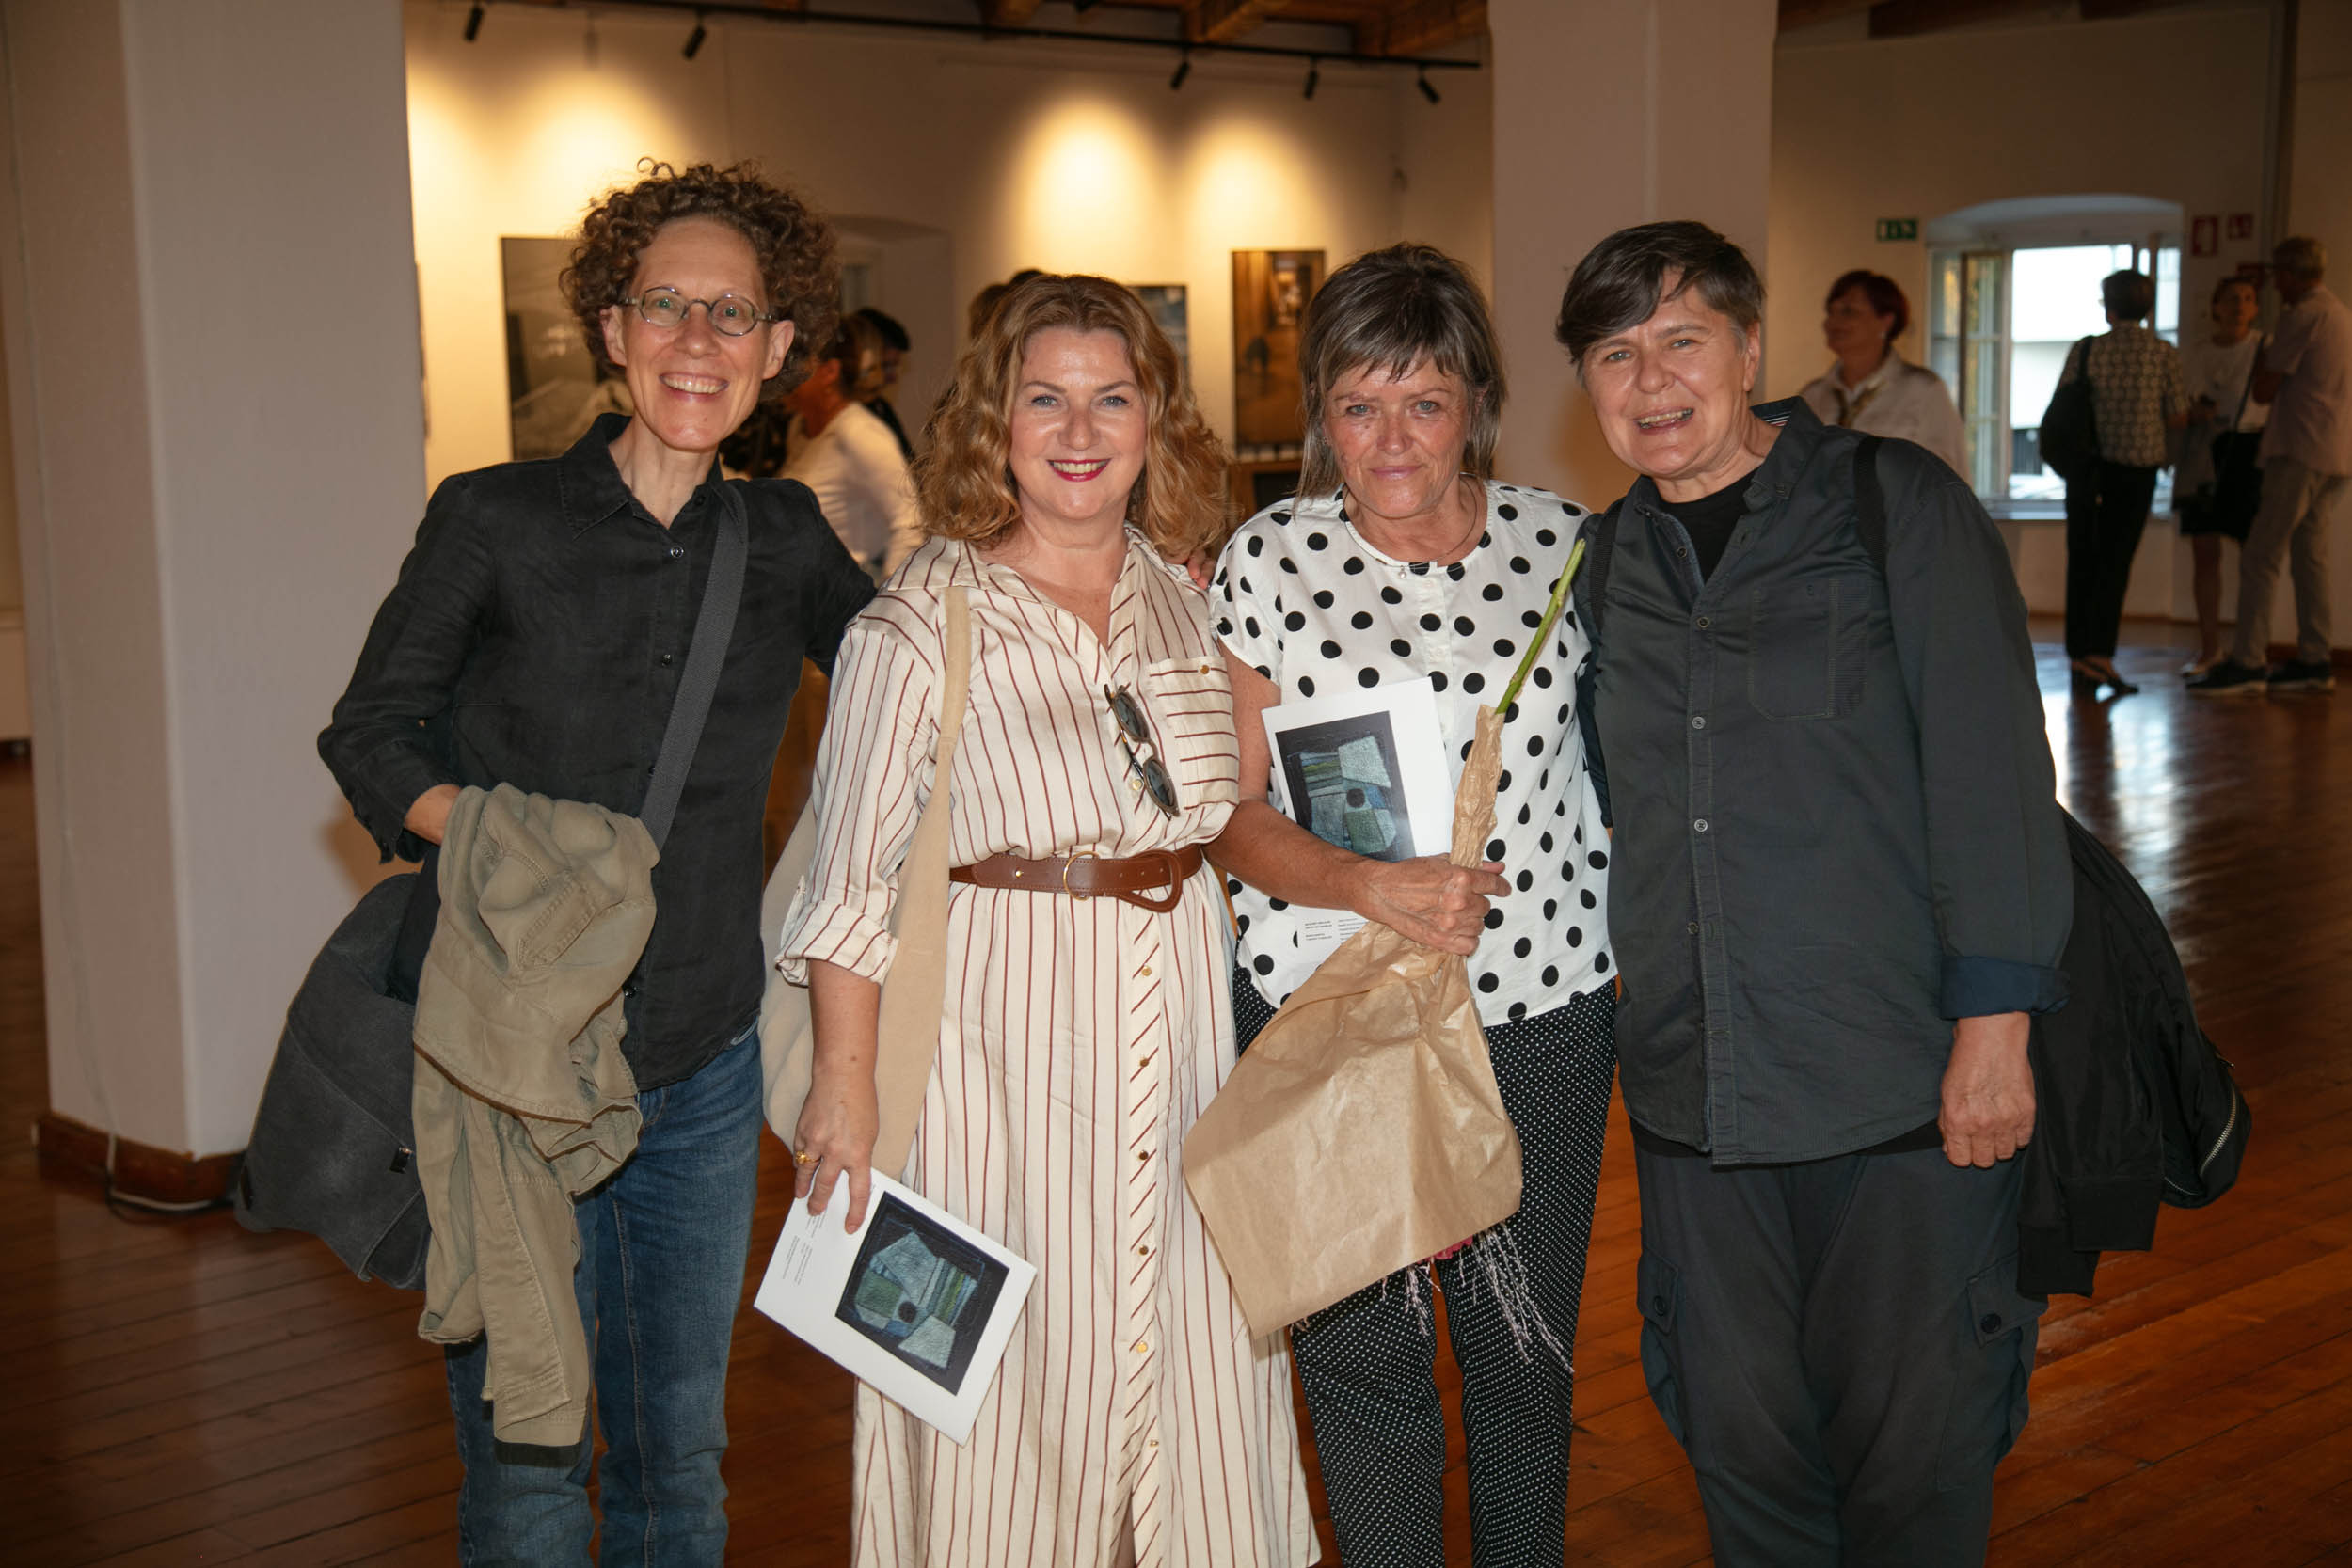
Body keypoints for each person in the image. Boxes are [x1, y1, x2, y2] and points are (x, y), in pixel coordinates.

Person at [320, 160, 876, 1562]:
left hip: (700, 1060)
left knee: (678, 1461)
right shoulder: (492, 516)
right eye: (665, 305)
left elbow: (925, 682)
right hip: (511, 1059)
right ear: (614, 328)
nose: (698, 339)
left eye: (731, 313)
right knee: (526, 1458)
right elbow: (370, 732)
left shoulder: (786, 538)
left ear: (776, 347)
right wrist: (507, 841)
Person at [1554, 220, 2072, 1568]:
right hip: (1697, 1093)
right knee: (1741, 1445)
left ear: (1749, 348)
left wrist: (1997, 1026)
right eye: (1614, 354)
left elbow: (1993, 771)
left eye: (1682, 340)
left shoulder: (1889, 503)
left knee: (1915, 1454)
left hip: (1894, 1087)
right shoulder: (1604, 564)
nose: (1651, 381)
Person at [780, 274, 1315, 1568]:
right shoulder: (920, 621)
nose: (1080, 431)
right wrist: (843, 1089)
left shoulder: (1187, 599)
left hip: (1183, 1051)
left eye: (1111, 399)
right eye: (1045, 400)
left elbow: (1238, 803)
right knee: (1007, 1393)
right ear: (995, 423)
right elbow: (846, 888)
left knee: (1191, 1373)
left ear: (1153, 421)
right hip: (994, 1067)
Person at [1209, 242, 1618, 1568]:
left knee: (1521, 1355)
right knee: (1362, 1358)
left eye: (1424, 402)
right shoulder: (1269, 558)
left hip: (1539, 1008)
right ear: (1322, 415)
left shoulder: (1566, 544)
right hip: (1331, 1010)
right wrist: (1362, 882)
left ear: (1476, 404)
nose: (1390, 441)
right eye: (1359, 405)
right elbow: (1226, 810)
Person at [2191, 235, 2352, 696]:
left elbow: (2263, 390)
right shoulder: (2340, 313)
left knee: (2261, 555)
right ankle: (2315, 658)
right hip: (2335, 453)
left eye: (2278, 275)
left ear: (2291, 273)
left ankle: (2248, 661)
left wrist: (2264, 359)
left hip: (2299, 450)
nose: (2275, 286)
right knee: (2310, 557)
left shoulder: (2303, 315)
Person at [2054, 269, 2187, 696]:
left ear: (2109, 307)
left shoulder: (2087, 349)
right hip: (2135, 471)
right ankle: (2100, 657)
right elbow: (2177, 415)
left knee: (2082, 560)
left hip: (2086, 470)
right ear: (2147, 306)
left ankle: (2079, 656)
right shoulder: (2162, 352)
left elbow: (2063, 405)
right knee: (2115, 564)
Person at [2174, 276, 2269, 675]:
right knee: (2205, 553)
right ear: (2215, 306)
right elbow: (2186, 401)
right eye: (2231, 299)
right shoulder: (2197, 352)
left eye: (2247, 299)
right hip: (2206, 450)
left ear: (2256, 308)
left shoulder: (2264, 347)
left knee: (2255, 555)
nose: (2239, 306)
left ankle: (2250, 649)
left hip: (2250, 449)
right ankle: (2210, 648)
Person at [782, 312, 924, 578]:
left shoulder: (859, 433)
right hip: (809, 589)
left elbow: (910, 522)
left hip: (852, 593)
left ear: (829, 372)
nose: (785, 373)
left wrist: (887, 597)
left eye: (797, 363)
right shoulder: (799, 429)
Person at [1798, 269, 1967, 477]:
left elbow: (1948, 477)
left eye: (1848, 311)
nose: (1832, 322)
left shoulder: (1923, 391)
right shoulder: (1813, 396)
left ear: (1886, 321)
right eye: (1830, 312)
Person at [855, 304, 918, 460]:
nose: (893, 377)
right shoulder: (840, 416)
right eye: (886, 366)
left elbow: (909, 462)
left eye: (895, 366)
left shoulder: (883, 408)